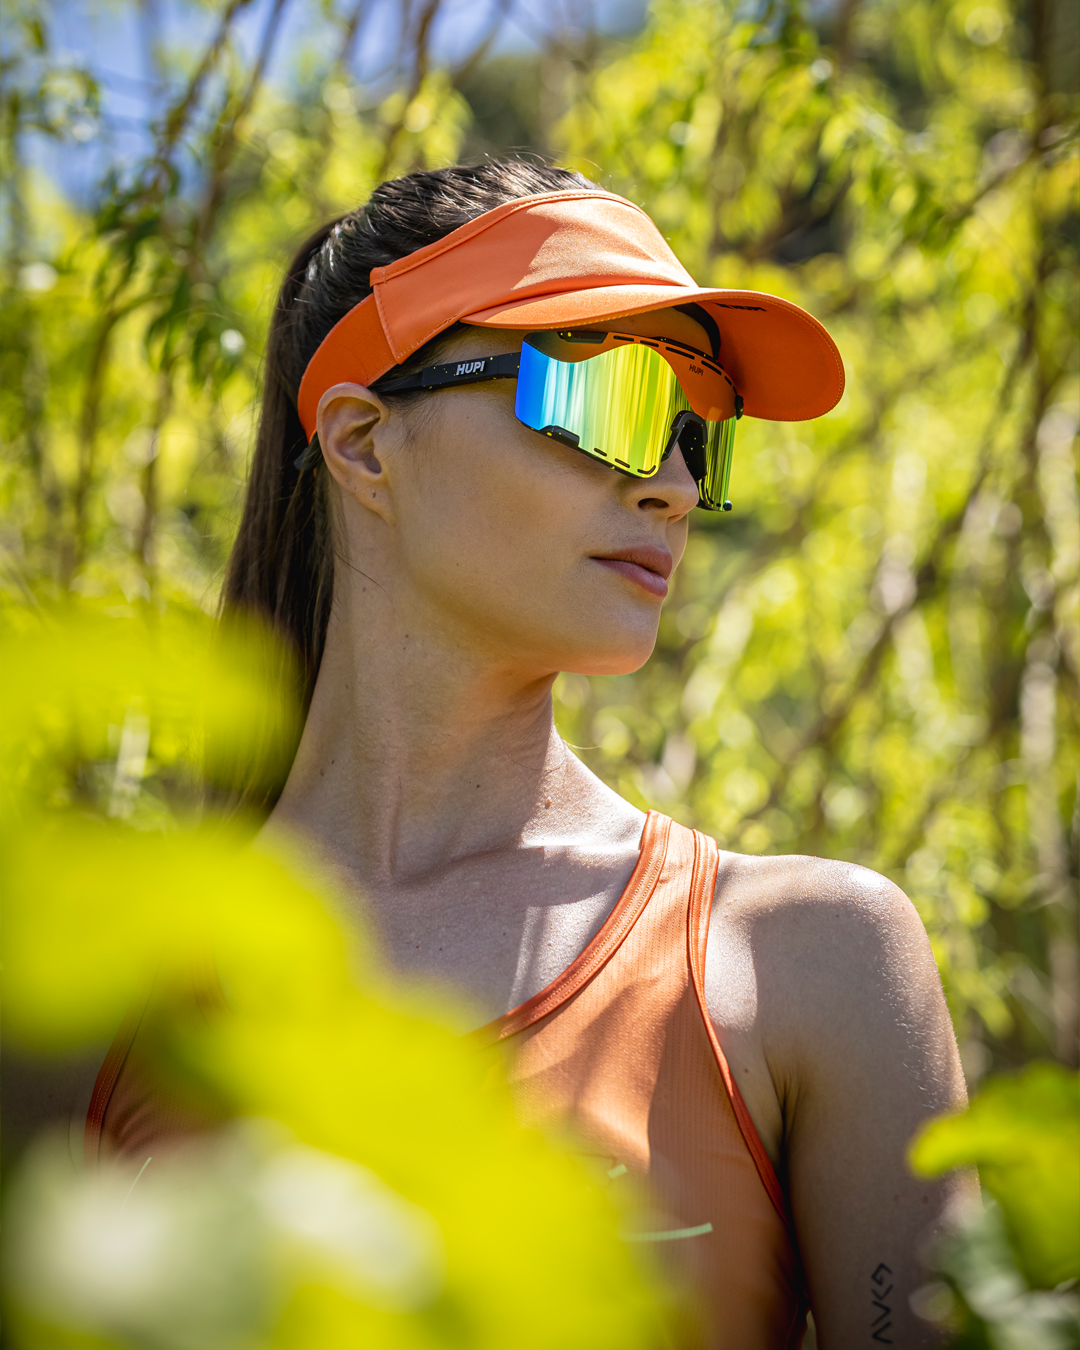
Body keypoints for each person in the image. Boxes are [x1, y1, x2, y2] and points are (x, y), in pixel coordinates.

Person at [88, 162, 969, 1347]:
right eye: (605, 401)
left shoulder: (809, 963)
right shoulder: (86, 997)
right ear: (362, 445)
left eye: (690, 436)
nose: (664, 483)